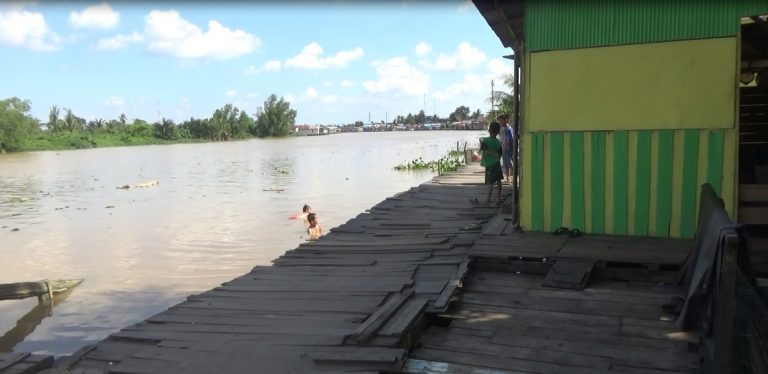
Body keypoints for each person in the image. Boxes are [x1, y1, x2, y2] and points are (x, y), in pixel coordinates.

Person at [474, 121, 503, 206]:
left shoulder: (485, 140)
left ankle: (488, 200)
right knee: (499, 181)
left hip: (490, 165)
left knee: (491, 183)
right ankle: (498, 198)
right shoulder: (498, 142)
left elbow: (480, 140)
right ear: (498, 132)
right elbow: (500, 153)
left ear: (489, 131)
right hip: (497, 164)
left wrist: (478, 152)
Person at [497, 113, 514, 183]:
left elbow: (512, 138)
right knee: (505, 163)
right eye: (500, 121)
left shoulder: (508, 128)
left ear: (506, 120)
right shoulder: (500, 128)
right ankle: (507, 177)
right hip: (502, 147)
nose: (500, 123)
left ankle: (509, 177)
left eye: (502, 121)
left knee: (509, 163)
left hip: (509, 148)